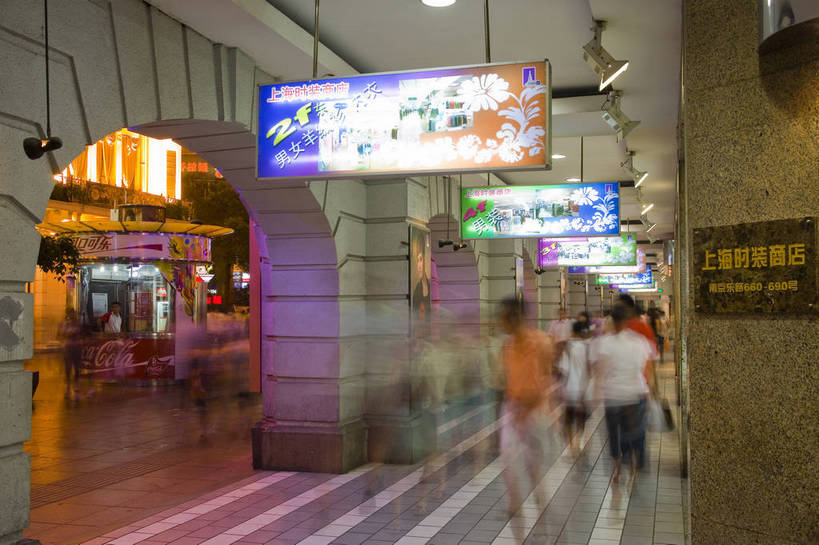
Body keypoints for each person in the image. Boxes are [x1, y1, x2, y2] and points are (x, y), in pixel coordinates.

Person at [498, 297, 554, 523]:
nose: (500, 322)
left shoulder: (541, 342)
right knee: (507, 458)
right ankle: (514, 501)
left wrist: (532, 404)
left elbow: (547, 376)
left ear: (516, 317)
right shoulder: (507, 345)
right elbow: (506, 377)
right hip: (512, 407)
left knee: (533, 462)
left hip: (535, 410)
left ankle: (539, 495)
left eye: (504, 317)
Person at [592, 303, 653, 482]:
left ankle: (617, 467)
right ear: (627, 321)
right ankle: (634, 463)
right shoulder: (639, 341)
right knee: (633, 432)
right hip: (636, 394)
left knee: (614, 434)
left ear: (613, 320)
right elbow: (647, 368)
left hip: (613, 396)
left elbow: (600, 371)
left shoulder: (605, 343)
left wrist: (595, 393)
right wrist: (650, 391)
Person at [558, 320, 591, 458]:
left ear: (572, 332)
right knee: (581, 418)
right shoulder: (587, 347)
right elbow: (590, 369)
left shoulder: (568, 347)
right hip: (584, 390)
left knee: (568, 420)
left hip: (570, 390)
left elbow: (563, 370)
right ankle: (581, 441)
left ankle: (571, 446)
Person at [57, 308, 84, 400]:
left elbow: (83, 334)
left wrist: (78, 337)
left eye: (73, 313)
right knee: (68, 368)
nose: (72, 315)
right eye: (70, 313)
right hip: (67, 348)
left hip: (77, 348)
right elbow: (59, 335)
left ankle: (76, 385)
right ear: (67, 314)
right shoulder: (63, 324)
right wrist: (66, 335)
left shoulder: (78, 324)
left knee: (77, 368)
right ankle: (68, 386)